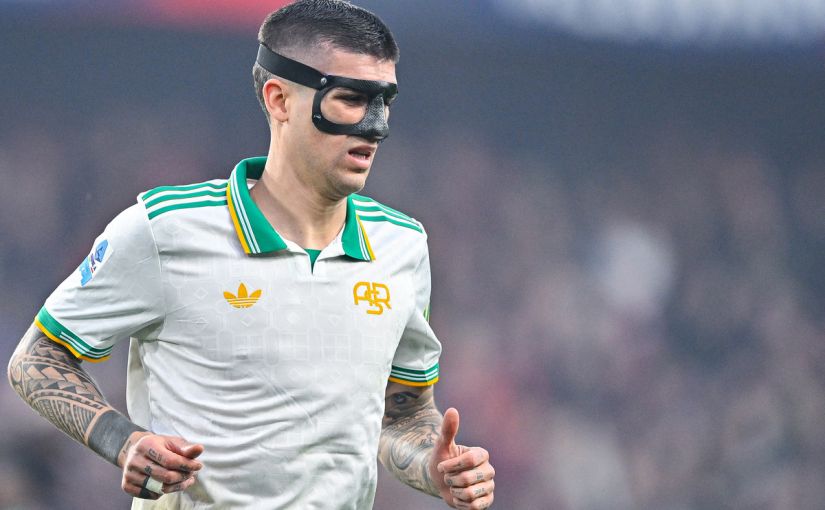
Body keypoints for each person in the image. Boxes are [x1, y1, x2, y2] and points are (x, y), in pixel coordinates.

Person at [6, 1, 495, 508]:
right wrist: (123, 440)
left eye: (385, 101)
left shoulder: (403, 245)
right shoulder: (166, 229)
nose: (375, 126)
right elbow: (36, 358)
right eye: (351, 99)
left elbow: (401, 412)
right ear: (279, 100)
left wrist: (434, 466)